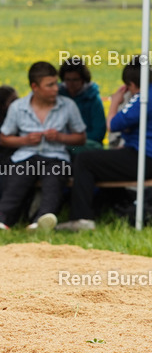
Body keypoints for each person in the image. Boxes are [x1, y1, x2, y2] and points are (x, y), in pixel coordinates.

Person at [0, 61, 86, 231]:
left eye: (55, 83)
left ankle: (41, 221)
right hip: (25, 155)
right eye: (50, 85)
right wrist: (25, 141)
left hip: (56, 156)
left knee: (53, 182)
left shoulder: (68, 106)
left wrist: (60, 137)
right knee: (16, 183)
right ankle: (0, 220)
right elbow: (4, 139)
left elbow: (81, 138)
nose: (56, 89)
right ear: (35, 87)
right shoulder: (18, 107)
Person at [59, 60, 152, 232]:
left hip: (144, 158)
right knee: (102, 160)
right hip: (140, 154)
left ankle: (81, 218)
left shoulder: (143, 97)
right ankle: (118, 206)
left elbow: (113, 125)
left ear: (131, 85)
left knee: (85, 160)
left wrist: (115, 101)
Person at [58, 58, 107, 152]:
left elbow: (98, 133)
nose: (71, 84)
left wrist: (72, 139)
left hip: (86, 144)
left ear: (83, 79)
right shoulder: (58, 96)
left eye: (75, 80)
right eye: (67, 80)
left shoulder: (93, 99)